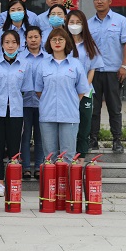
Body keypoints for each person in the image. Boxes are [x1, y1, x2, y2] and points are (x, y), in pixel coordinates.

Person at [0, 30, 34, 196]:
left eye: (14, 42)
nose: (10, 45)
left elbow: (26, 89)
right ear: (2, 45)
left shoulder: (25, 64)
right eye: (7, 42)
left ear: (19, 45)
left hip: (16, 111)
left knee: (14, 148)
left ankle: (13, 181)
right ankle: (0, 183)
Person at [88, 0, 126, 154]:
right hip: (94, 72)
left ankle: (117, 140)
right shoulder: (88, 23)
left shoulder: (120, 21)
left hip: (114, 72)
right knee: (93, 109)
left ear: (110, 1)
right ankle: (93, 139)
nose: (99, 2)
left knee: (114, 108)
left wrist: (124, 66)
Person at [35, 28, 89, 163]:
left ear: (67, 42)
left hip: (69, 114)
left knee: (68, 156)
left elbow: (81, 90)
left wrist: (70, 102)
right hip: (48, 114)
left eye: (60, 39)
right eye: (54, 39)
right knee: (49, 157)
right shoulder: (43, 65)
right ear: (49, 43)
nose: (57, 42)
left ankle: (66, 178)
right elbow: (39, 90)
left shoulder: (76, 64)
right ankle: (50, 178)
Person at [66, 10, 104, 162]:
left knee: (84, 124)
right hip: (66, 92)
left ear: (84, 25)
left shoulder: (89, 44)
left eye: (78, 22)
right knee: (68, 125)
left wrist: (83, 88)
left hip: (86, 92)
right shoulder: (63, 43)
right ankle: (67, 154)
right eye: (71, 22)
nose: (75, 25)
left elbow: (92, 69)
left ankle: (81, 155)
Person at [20, 26, 48, 179]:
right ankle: (25, 167)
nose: (33, 40)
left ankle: (38, 167)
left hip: (42, 103)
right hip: (23, 104)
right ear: (25, 39)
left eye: (36, 37)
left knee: (40, 136)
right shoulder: (20, 57)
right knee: (24, 137)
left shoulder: (48, 58)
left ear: (41, 38)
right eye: (30, 37)